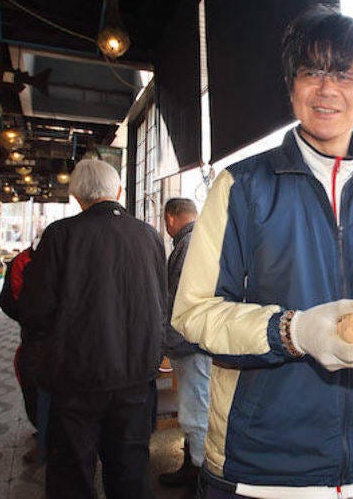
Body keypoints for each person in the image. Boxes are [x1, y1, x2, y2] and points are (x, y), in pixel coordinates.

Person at [171, 4, 353, 499]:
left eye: (345, 74)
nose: (327, 88)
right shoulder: (241, 188)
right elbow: (193, 313)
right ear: (292, 84)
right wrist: (292, 331)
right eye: (311, 71)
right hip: (259, 471)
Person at [19, 159, 167, 499]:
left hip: (76, 377)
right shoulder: (149, 235)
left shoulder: (60, 235)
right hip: (136, 375)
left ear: (76, 195)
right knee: (130, 468)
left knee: (72, 472)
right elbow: (162, 303)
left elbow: (34, 309)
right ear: (117, 191)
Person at [158, 197, 211, 489]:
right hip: (197, 342)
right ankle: (192, 468)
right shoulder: (201, 238)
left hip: (191, 344)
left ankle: (201, 480)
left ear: (170, 218)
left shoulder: (188, 244)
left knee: (197, 410)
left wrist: (166, 341)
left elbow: (180, 300)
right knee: (196, 408)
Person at [0, 238, 47, 464]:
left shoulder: (24, 261)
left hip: (36, 339)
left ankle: (46, 437)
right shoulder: (25, 261)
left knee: (39, 388)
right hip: (41, 338)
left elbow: (9, 302)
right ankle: (46, 432)